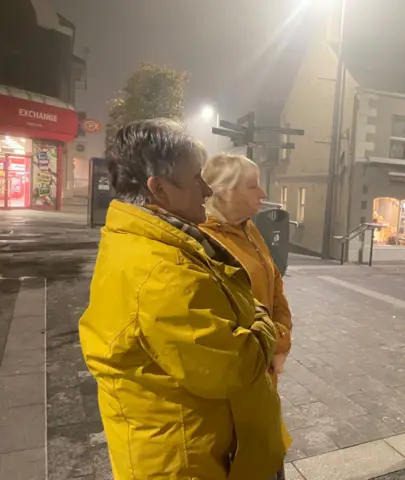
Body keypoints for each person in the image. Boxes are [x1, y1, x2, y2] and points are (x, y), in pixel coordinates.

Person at [79, 119, 285, 480]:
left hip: (201, 446)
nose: (207, 190)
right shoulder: (163, 269)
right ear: (159, 189)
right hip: (189, 462)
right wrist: (264, 322)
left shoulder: (160, 241)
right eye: (195, 179)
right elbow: (233, 367)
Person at [200, 154, 293, 479]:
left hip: (264, 376)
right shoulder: (205, 241)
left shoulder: (249, 230)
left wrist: (281, 341)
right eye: (252, 185)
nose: (263, 192)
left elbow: (276, 288)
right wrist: (272, 347)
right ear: (222, 191)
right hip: (238, 387)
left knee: (269, 456)